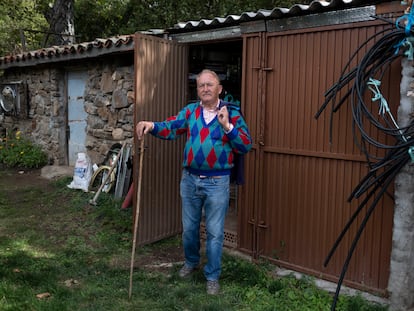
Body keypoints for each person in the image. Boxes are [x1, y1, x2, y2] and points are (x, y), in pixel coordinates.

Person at [135, 69, 252, 295]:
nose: (205, 89)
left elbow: (245, 145)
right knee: (189, 229)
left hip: (217, 183)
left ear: (220, 89)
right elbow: (171, 127)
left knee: (215, 232)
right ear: (197, 90)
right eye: (201, 85)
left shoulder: (232, 113)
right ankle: (191, 262)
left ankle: (212, 275)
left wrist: (227, 126)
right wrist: (152, 125)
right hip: (190, 180)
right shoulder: (190, 112)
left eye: (210, 85)